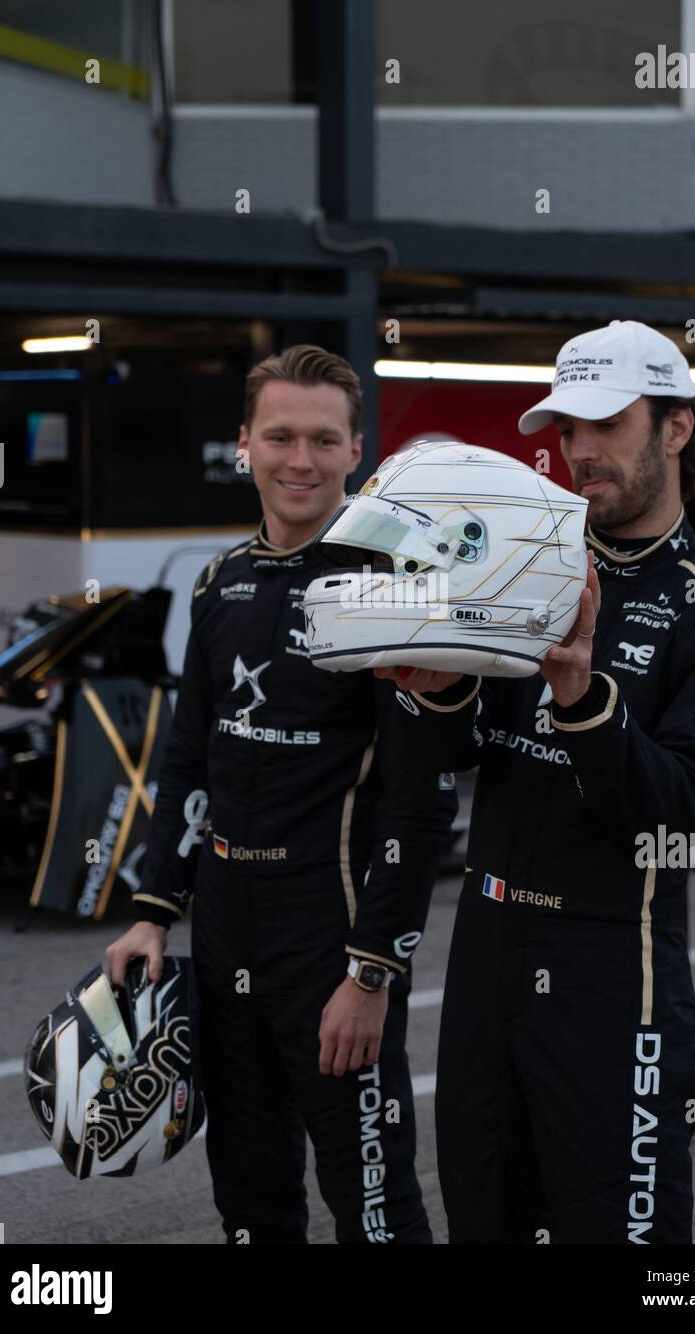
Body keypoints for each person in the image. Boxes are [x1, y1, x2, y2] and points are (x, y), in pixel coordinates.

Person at [376, 320, 695, 1244]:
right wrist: (436, 691)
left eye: (606, 424)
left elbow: (680, 808)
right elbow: (454, 752)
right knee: (485, 1219)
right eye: (568, 427)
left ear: (677, 428)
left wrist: (583, 696)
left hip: (613, 968)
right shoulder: (520, 563)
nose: (580, 451)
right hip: (485, 951)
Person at [106, 345, 456, 1244]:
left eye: (322, 440)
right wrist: (152, 908)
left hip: (331, 932)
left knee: (374, 1206)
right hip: (226, 926)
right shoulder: (218, 581)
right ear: (245, 446)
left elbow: (420, 804)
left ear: (355, 452)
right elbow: (189, 757)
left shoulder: (396, 585)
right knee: (251, 1201)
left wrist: (373, 971)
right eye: (280, 437)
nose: (300, 459)